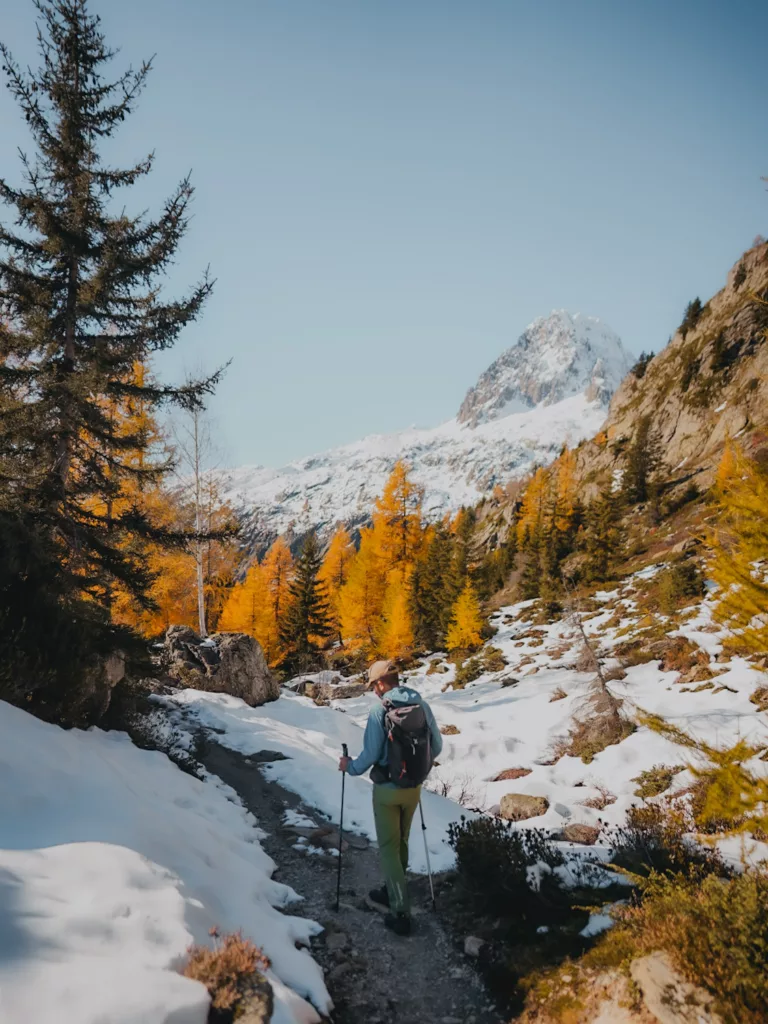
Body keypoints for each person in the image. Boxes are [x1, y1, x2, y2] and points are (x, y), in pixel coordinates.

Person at [338, 659, 442, 936]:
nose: (374, 691)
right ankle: (392, 888)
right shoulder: (422, 706)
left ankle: (400, 912)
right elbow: (438, 745)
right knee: (402, 842)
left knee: (388, 849)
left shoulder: (378, 711)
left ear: (382, 683)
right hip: (413, 789)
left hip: (386, 791)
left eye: (374, 685)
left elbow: (370, 755)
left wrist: (351, 767)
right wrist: (417, 769)